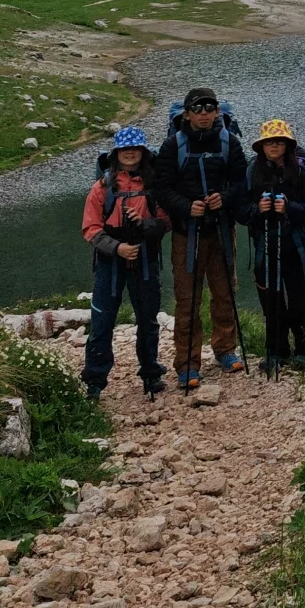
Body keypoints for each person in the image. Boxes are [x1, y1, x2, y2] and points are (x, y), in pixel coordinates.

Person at [153, 86, 249, 388]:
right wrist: (187, 206)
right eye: (198, 108)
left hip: (221, 228)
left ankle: (225, 349)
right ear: (187, 113)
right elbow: (162, 190)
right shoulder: (173, 146)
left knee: (224, 292)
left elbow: (241, 182)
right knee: (187, 298)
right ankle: (187, 363)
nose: (204, 113)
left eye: (210, 107)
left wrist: (225, 197)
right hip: (187, 232)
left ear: (218, 111)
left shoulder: (229, 143)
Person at [80, 127, 169, 401]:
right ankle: (95, 381)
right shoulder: (102, 188)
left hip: (144, 258)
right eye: (124, 149)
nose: (130, 153)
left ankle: (151, 374)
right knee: (102, 321)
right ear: (117, 154)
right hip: (110, 262)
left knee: (148, 319)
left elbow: (166, 222)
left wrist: (144, 224)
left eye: (135, 148)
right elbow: (90, 228)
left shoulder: (152, 186)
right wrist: (117, 248)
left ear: (142, 153)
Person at [239, 119, 305, 375]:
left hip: (293, 247)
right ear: (261, 146)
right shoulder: (251, 172)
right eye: (270, 142)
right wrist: (256, 210)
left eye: (279, 141)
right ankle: (276, 351)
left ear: (287, 145)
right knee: (271, 302)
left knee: (298, 302)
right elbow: (240, 211)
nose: (274, 146)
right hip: (265, 246)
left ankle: (304, 351)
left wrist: (289, 208)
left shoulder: (298, 172)